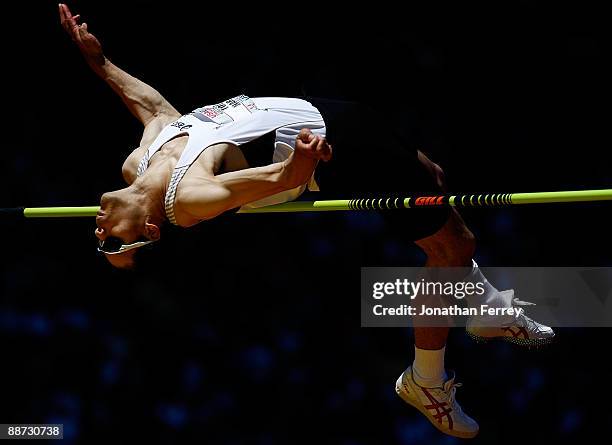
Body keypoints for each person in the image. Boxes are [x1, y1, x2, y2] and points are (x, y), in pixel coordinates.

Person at [59, 3, 554, 439]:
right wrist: (304, 160)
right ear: (149, 231)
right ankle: (426, 380)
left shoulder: (139, 163)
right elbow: (278, 178)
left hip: (331, 115)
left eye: (99, 238)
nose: (99, 229)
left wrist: (99, 63)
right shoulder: (189, 197)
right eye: (112, 242)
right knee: (452, 248)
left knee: (433, 176)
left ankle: (487, 311)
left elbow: (156, 108)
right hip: (337, 152)